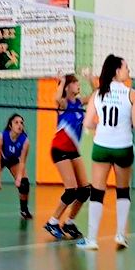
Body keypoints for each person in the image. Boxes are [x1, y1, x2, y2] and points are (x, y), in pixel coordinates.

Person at [80, 54, 135, 251]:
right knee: (123, 191)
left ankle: (92, 239)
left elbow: (88, 123)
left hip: (102, 146)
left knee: (97, 192)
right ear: (117, 71)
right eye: (126, 67)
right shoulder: (132, 94)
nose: (128, 70)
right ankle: (121, 235)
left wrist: (101, 127)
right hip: (123, 147)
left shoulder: (97, 94)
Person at [44, 73, 90, 241]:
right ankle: (52, 221)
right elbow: (57, 98)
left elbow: (96, 95)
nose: (78, 85)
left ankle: (69, 222)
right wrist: (62, 81)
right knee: (71, 190)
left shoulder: (78, 102)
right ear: (68, 87)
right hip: (59, 149)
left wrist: (91, 80)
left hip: (73, 150)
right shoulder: (64, 103)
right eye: (75, 83)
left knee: (85, 191)